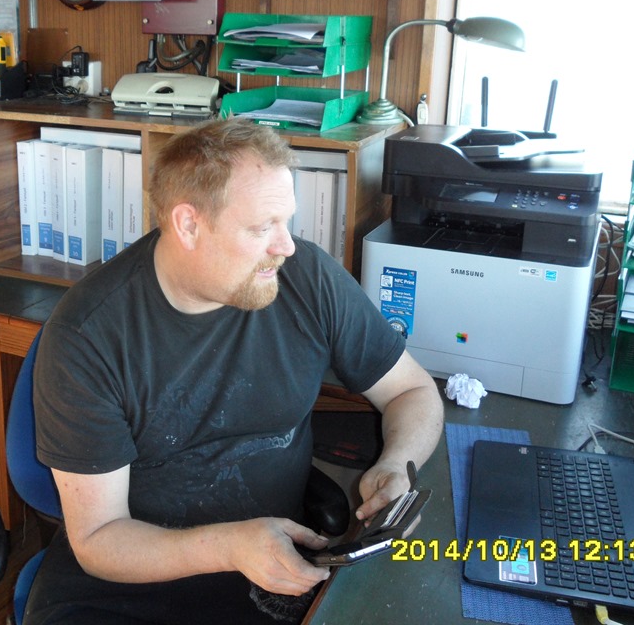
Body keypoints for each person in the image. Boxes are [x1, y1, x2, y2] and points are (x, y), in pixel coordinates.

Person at [27, 118, 443, 625]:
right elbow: (98, 539)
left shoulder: (307, 279)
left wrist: (396, 464)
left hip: (273, 572)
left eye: (286, 222)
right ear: (188, 225)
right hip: (126, 585)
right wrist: (229, 547)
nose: (286, 246)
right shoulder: (87, 337)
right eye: (262, 227)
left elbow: (412, 390)